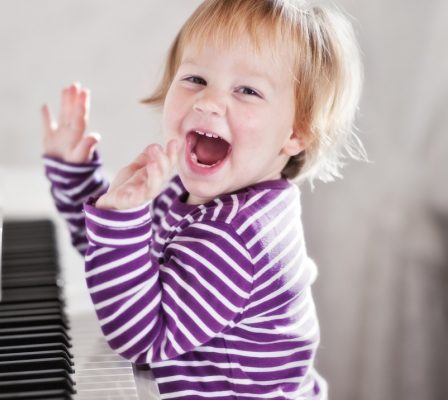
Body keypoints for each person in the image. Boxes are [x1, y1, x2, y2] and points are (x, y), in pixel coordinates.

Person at [40, 0, 364, 398]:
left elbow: (143, 338)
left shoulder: (239, 238)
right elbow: (110, 255)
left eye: (247, 90)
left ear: (296, 133)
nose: (207, 101)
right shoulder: (188, 194)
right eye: (195, 78)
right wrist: (78, 174)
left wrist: (122, 220)